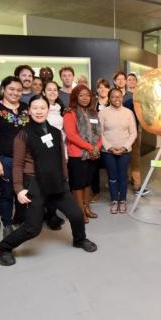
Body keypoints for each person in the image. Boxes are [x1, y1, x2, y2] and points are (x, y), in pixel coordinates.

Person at [0, 95, 97, 266]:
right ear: (28, 111)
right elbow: (17, 165)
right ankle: (3, 248)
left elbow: (61, 159)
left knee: (76, 214)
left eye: (42, 107)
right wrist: (19, 189)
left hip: (57, 182)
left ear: (48, 110)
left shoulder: (56, 133)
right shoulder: (22, 135)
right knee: (33, 228)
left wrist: (65, 179)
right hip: (34, 183)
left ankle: (79, 240)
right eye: (35, 108)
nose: (39, 111)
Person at [0, 76, 30, 238]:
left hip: (25, 160)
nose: (15, 93)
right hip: (5, 159)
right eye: (11, 89)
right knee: (7, 193)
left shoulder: (26, 108)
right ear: (3, 89)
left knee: (23, 192)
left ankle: (20, 220)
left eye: (18, 90)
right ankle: (7, 224)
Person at [64, 84, 102, 222]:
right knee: (78, 184)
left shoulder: (93, 113)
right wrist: (90, 147)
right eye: (81, 95)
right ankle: (79, 212)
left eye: (87, 95)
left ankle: (86, 207)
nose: (85, 98)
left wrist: (97, 147)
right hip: (77, 155)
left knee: (87, 183)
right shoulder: (70, 113)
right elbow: (71, 135)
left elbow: (99, 133)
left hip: (93, 154)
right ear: (75, 97)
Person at [99, 88, 137, 214]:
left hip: (125, 151)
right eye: (114, 97)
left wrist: (125, 147)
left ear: (122, 97)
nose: (117, 99)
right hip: (108, 151)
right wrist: (109, 147)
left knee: (123, 177)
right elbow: (100, 133)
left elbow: (133, 133)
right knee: (112, 177)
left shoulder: (128, 112)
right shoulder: (103, 113)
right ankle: (114, 200)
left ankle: (123, 200)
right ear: (109, 98)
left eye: (119, 96)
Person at [39, 80, 67, 230]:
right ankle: (47, 215)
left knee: (57, 184)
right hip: (46, 151)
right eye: (49, 90)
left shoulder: (59, 108)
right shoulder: (40, 108)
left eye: (55, 90)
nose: (52, 92)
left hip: (61, 149)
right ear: (43, 92)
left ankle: (52, 213)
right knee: (46, 185)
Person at [90, 78, 111, 202]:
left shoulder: (113, 102)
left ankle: (114, 189)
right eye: (100, 87)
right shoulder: (93, 103)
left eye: (105, 87)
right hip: (95, 139)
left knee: (110, 166)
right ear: (97, 89)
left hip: (109, 139)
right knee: (94, 167)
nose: (102, 89)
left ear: (109, 89)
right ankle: (95, 192)